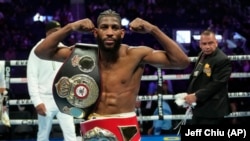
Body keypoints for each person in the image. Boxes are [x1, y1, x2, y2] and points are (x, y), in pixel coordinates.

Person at [34, 9, 190, 140]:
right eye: (104, 27)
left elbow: (181, 61)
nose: (109, 32)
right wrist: (70, 27)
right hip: (91, 124)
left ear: (122, 33)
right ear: (96, 32)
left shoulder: (135, 55)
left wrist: (153, 29)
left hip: (125, 125)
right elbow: (41, 52)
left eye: (115, 27)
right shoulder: (82, 54)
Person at [26, 20, 77, 141]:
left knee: (71, 133)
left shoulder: (65, 49)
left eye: (59, 31)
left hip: (63, 98)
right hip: (45, 98)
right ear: (48, 33)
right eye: (54, 32)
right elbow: (31, 76)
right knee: (43, 135)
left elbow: (71, 75)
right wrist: (37, 101)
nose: (57, 34)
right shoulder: (37, 50)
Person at [184, 29, 232, 125]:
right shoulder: (201, 54)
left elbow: (217, 84)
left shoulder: (222, 59)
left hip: (213, 109)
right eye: (204, 44)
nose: (207, 47)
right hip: (200, 106)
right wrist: (189, 96)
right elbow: (196, 76)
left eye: (210, 43)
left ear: (216, 43)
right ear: (200, 45)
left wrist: (195, 96)